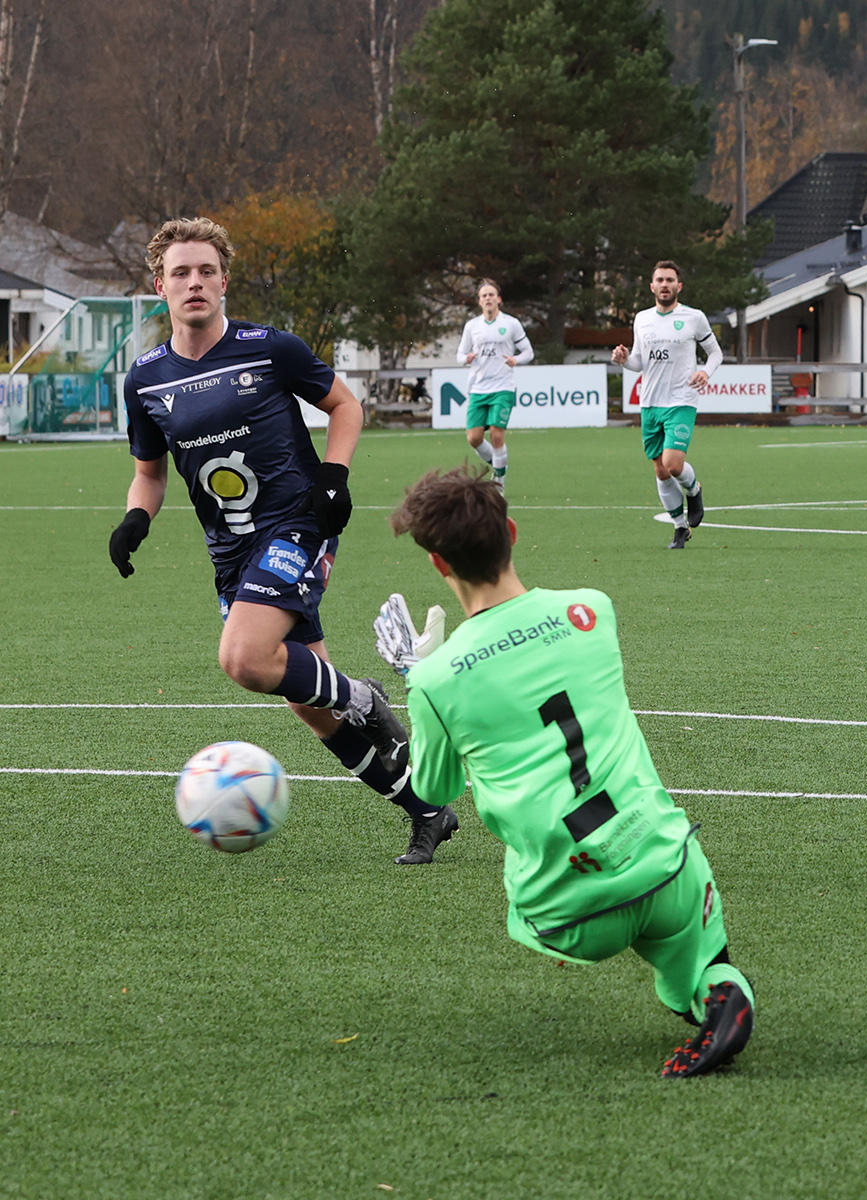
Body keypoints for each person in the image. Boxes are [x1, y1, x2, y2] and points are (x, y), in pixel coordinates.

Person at [377, 467, 755, 1077]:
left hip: (568, 908)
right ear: (513, 534)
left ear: (439, 566)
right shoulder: (591, 610)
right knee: (694, 944)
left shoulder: (437, 680)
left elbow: (433, 790)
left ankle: (592, 908)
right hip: (663, 855)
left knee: (531, 877)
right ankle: (716, 991)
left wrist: (416, 675)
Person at [109, 217, 459, 866]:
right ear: (158, 285)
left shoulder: (270, 348)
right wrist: (135, 519)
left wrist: (334, 478)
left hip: (297, 523)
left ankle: (364, 696)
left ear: (224, 281)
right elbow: (149, 474)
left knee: (244, 660)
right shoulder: (145, 380)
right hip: (231, 553)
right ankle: (426, 810)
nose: (194, 282)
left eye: (206, 271)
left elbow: (346, 406)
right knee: (307, 700)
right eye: (180, 273)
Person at [611, 261, 721, 549]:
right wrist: (624, 360)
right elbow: (638, 362)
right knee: (660, 469)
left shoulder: (694, 317)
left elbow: (715, 353)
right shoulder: (642, 318)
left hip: (681, 400)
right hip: (650, 403)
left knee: (673, 464)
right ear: (651, 286)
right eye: (659, 279)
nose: (664, 284)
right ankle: (679, 527)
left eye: (670, 280)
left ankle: (694, 491)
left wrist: (705, 372)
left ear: (678, 286)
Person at [456, 279, 534, 493]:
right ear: (479, 302)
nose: (488, 298)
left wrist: (516, 360)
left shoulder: (511, 324)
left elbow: (529, 352)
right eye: (484, 296)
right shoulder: (472, 326)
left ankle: (499, 481)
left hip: (502, 387)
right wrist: (467, 358)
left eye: (491, 295)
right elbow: (459, 355)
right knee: (474, 438)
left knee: (497, 435)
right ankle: (500, 462)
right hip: (478, 389)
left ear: (499, 299)